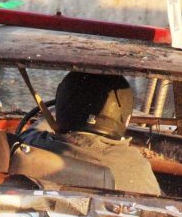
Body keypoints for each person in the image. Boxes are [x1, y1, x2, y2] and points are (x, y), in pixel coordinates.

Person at [13, 72, 161, 196]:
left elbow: (28, 134)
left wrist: (51, 114)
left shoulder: (32, 147)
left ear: (60, 112)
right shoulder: (138, 169)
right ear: (126, 120)